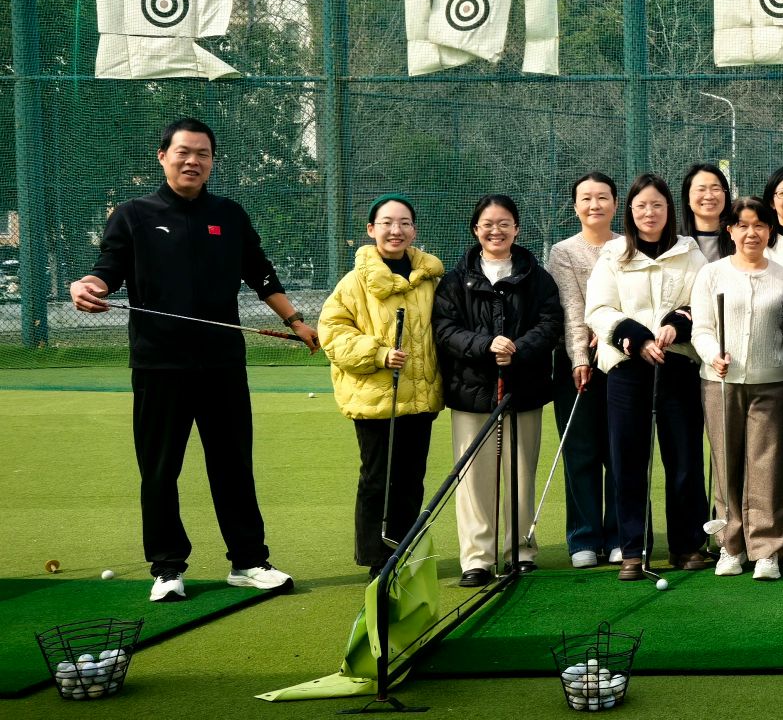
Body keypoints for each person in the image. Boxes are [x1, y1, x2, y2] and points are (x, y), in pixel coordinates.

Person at [70, 118, 317, 602]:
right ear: (162, 156)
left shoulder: (229, 214)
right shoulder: (133, 215)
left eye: (202, 154)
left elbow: (260, 273)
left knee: (233, 466)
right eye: (183, 152)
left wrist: (295, 321)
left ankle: (248, 561)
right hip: (159, 367)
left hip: (222, 365)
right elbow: (107, 271)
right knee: (160, 470)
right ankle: (167, 569)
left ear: (212, 162)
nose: (193, 161)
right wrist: (87, 286)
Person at [584, 175, 713, 581]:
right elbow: (599, 309)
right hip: (627, 370)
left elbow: (702, 301)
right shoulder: (613, 255)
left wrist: (678, 323)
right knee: (628, 461)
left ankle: (687, 545)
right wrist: (635, 338)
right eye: (641, 206)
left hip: (677, 367)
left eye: (657, 205)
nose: (649, 213)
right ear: (630, 211)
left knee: (685, 459)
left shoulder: (689, 253)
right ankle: (632, 549)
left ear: (669, 210)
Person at [433, 194, 563, 587]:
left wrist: (517, 349)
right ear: (476, 229)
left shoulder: (537, 277)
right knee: (474, 479)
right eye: (488, 224)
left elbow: (550, 323)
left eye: (504, 223)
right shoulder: (455, 280)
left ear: (517, 229)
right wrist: (486, 345)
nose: (496, 231)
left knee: (521, 474)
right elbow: (445, 330)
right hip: (471, 392)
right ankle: (477, 559)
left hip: (524, 388)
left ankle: (520, 551)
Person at [318, 195, 445, 578]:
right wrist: (377, 354)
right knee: (378, 479)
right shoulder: (354, 282)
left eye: (404, 223)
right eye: (387, 223)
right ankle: (377, 558)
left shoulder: (430, 279)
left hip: (420, 397)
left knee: (411, 479)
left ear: (414, 230)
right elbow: (332, 332)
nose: (396, 230)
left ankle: (403, 550)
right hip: (376, 397)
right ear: (371, 229)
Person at [691, 197, 783, 581]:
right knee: (726, 463)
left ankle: (767, 548)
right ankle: (730, 545)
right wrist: (711, 355)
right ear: (730, 230)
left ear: (770, 230)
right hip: (720, 383)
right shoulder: (712, 274)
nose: (752, 233)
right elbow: (701, 328)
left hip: (772, 383)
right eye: (743, 225)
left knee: (767, 467)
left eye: (760, 225)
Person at [546, 173, 623, 569]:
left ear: (615, 203)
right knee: (581, 451)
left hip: (623, 358)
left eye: (603, 197)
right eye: (587, 198)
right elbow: (572, 307)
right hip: (577, 364)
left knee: (621, 451)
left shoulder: (627, 245)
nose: (595, 205)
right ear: (575, 206)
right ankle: (584, 538)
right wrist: (579, 357)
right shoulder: (563, 252)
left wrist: (610, 330)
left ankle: (621, 536)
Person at [682, 163, 735, 261]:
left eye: (716, 189)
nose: (709, 196)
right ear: (687, 198)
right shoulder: (675, 244)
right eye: (701, 189)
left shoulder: (739, 241)